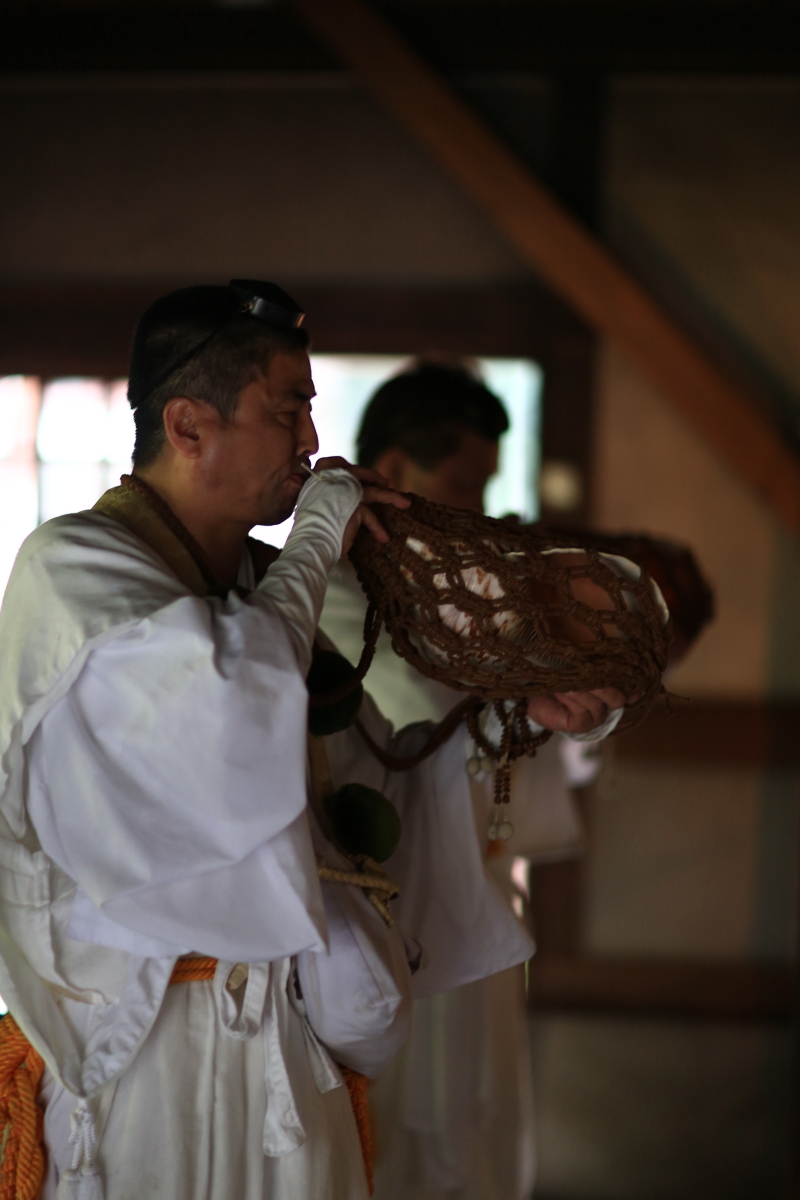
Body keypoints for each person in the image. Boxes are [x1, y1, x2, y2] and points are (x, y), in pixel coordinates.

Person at [0, 287, 629, 1200]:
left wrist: (518, 717)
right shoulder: (74, 568)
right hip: (150, 1064)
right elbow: (227, 714)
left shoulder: (260, 588)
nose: (310, 439)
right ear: (188, 426)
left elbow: (371, 799)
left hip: (288, 1061)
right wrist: (322, 531)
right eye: (286, 409)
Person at [321, 362, 598, 1200]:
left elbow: (518, 753)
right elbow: (427, 725)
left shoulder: (459, 602)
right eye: (465, 483)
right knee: (390, 1152)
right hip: (378, 926)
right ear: (394, 470)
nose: (478, 509)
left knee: (475, 1144)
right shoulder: (331, 601)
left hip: (472, 912)